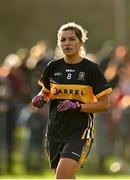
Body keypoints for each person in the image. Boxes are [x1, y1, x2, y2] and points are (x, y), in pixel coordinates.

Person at [32, 22, 112, 179]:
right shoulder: (53, 67)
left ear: (81, 42)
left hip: (80, 131)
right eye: (63, 40)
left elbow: (105, 104)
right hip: (55, 130)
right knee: (66, 177)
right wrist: (40, 97)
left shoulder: (91, 69)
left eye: (71, 39)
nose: (67, 43)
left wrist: (77, 106)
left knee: (61, 177)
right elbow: (46, 92)